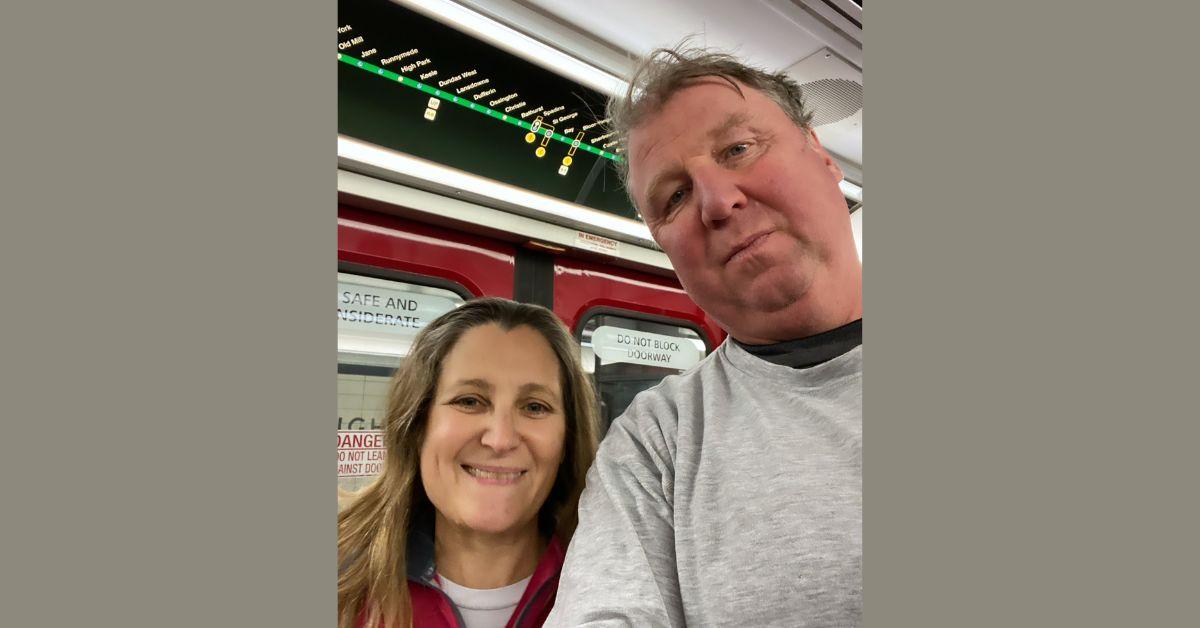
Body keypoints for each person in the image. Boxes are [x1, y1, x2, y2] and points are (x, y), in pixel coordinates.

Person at [546, 46, 863, 627]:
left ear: (820, 155)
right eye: (675, 197)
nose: (717, 201)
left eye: (739, 149)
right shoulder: (656, 441)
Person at [338, 298, 600, 628]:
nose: (501, 439)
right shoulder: (339, 583)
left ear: (566, 439)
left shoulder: (620, 589)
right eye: (469, 401)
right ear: (418, 425)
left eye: (534, 407)